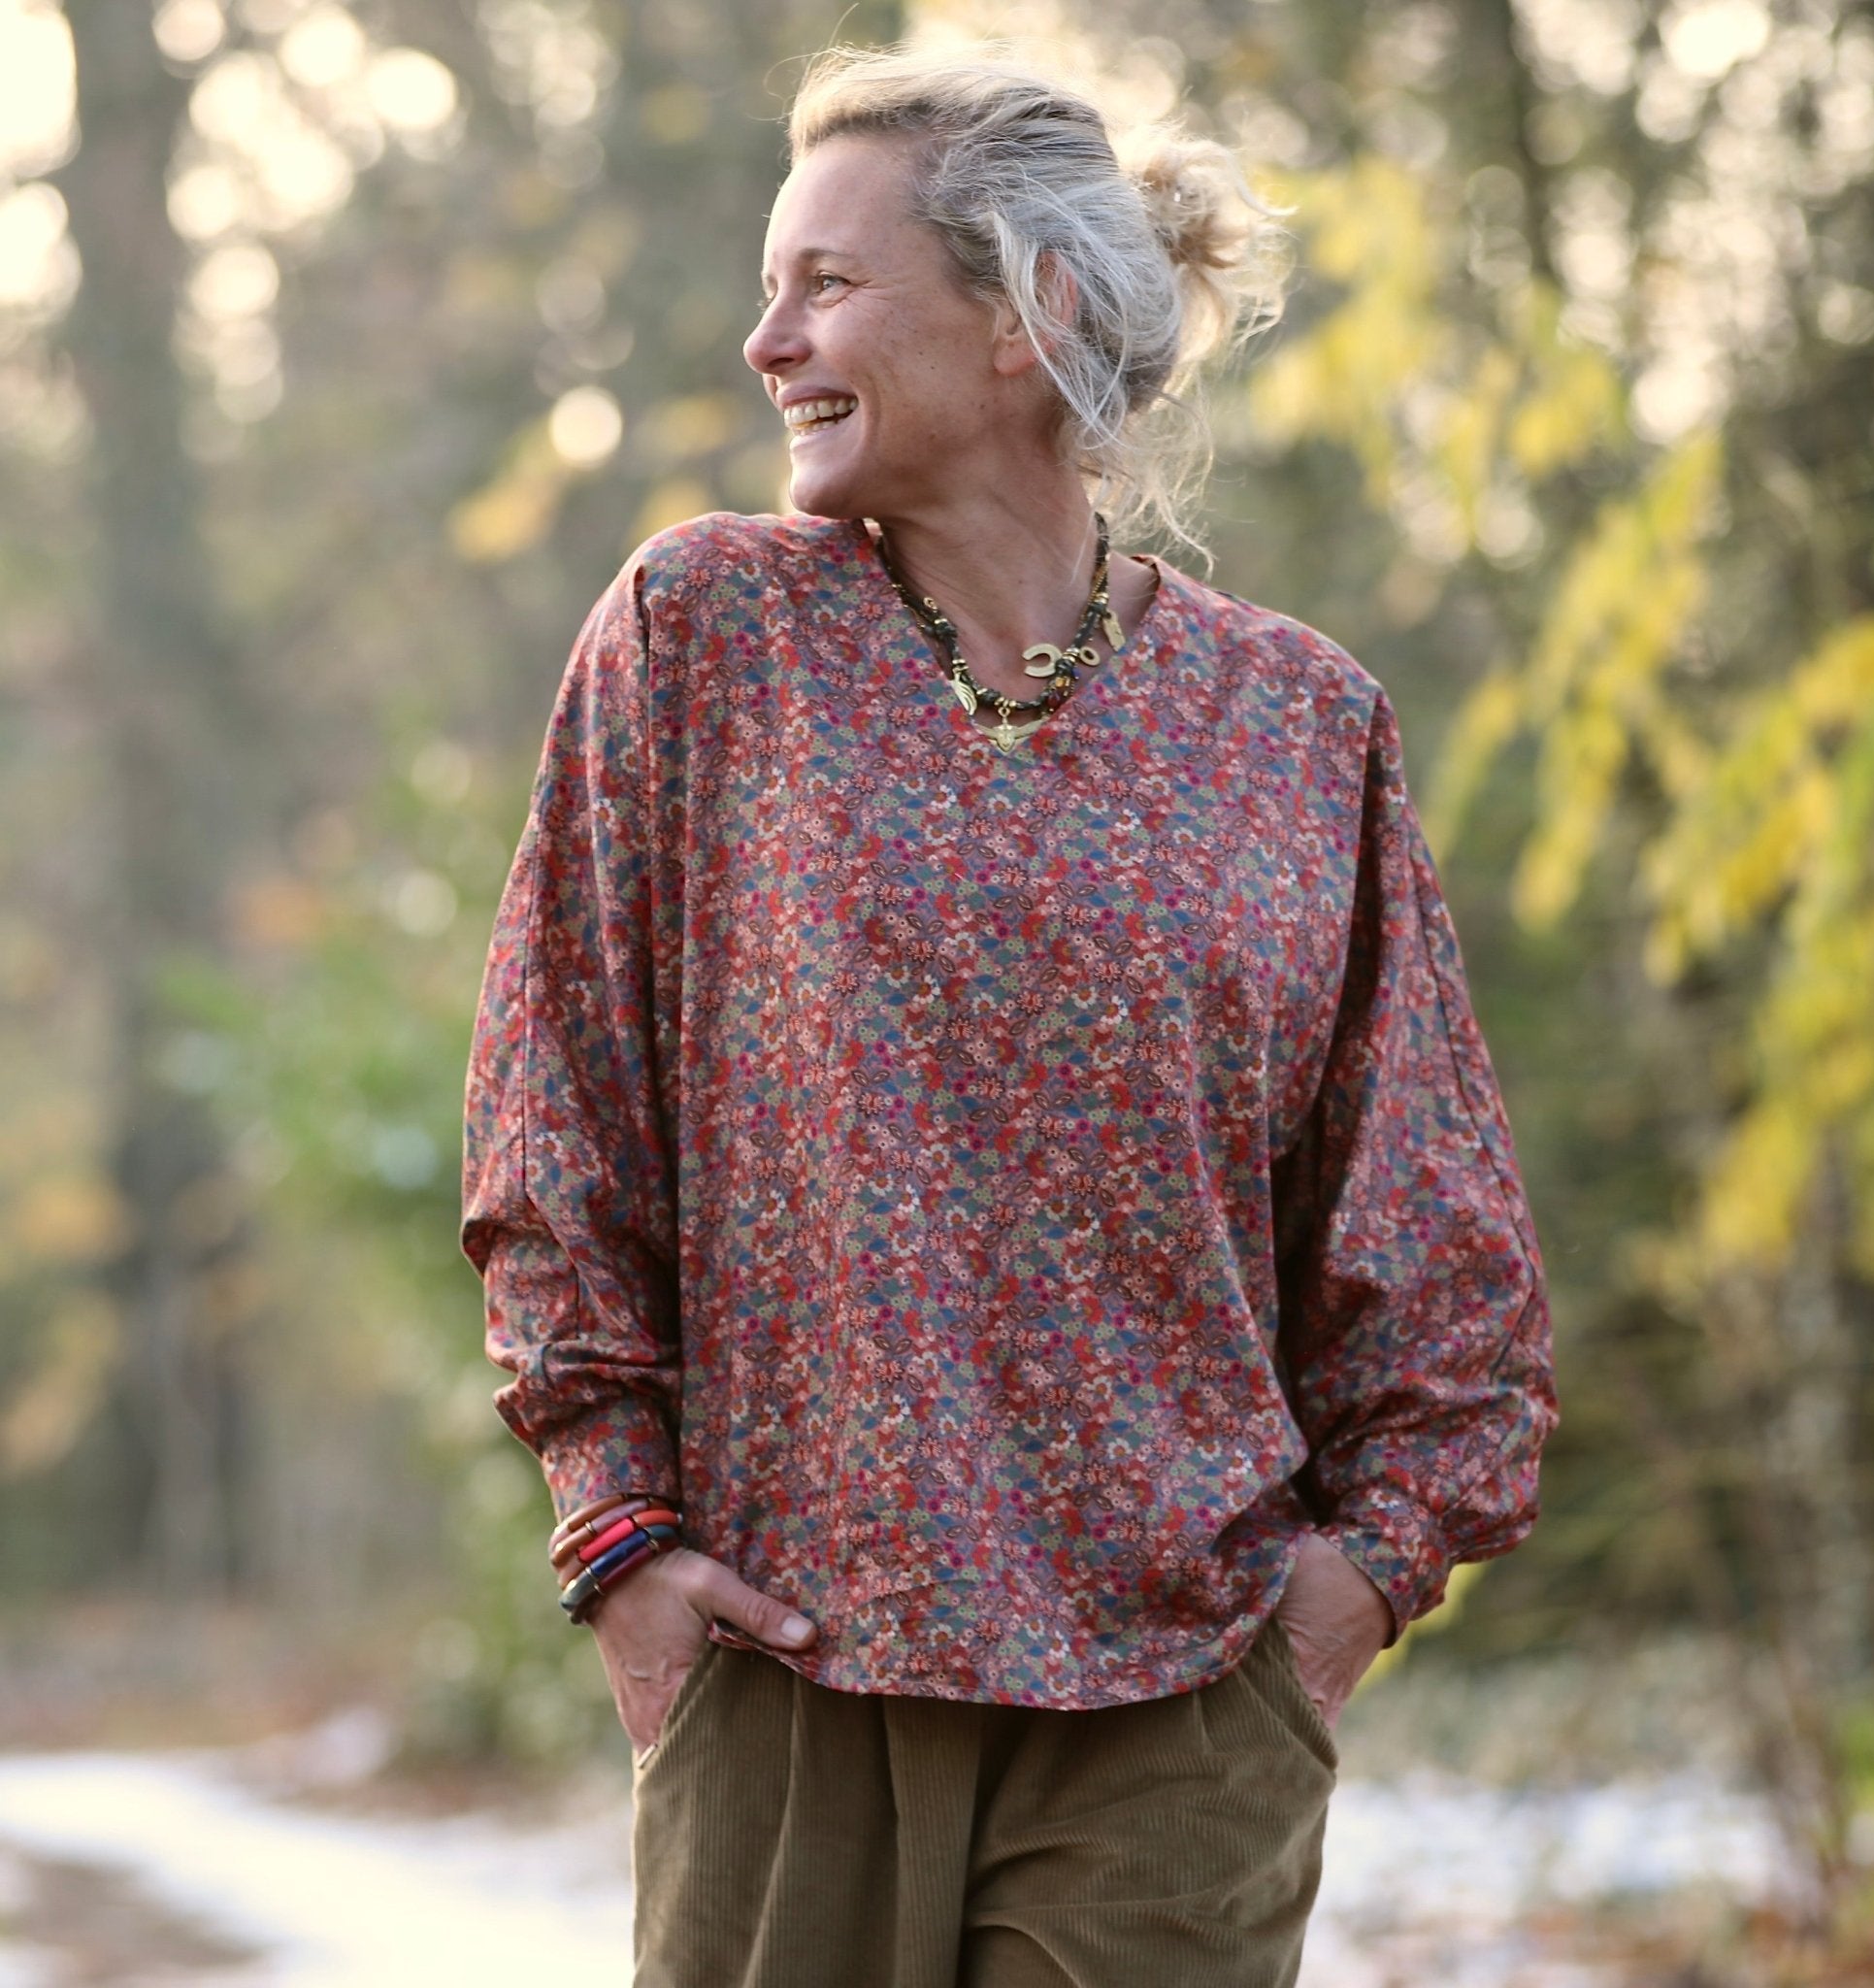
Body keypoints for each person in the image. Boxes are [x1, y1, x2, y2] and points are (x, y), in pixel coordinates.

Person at [461, 40, 1557, 1988]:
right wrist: (618, 1532)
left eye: (826, 283)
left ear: (1021, 312)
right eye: (771, 285)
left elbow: (1429, 1215)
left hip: (1184, 1703)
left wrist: (1356, 1584)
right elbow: (557, 1114)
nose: (765, 341)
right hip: (791, 1664)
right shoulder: (705, 637)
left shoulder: (1298, 723)